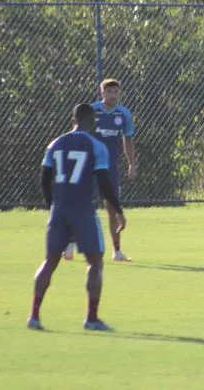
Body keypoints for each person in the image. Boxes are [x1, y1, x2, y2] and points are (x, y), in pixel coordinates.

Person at [28, 103, 126, 331]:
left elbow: (44, 180)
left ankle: (34, 316)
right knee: (95, 261)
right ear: (91, 120)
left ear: (73, 119)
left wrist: (52, 207)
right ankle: (91, 318)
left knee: (50, 261)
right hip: (83, 210)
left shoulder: (55, 144)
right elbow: (103, 181)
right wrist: (118, 209)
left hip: (59, 210)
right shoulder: (96, 146)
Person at [62, 79, 135, 262]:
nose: (113, 95)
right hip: (89, 165)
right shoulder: (92, 111)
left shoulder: (124, 114)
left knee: (112, 206)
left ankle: (117, 251)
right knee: (81, 203)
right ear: (102, 93)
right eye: (109, 91)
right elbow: (77, 133)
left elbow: (128, 139)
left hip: (110, 167)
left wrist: (131, 163)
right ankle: (70, 245)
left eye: (116, 91)